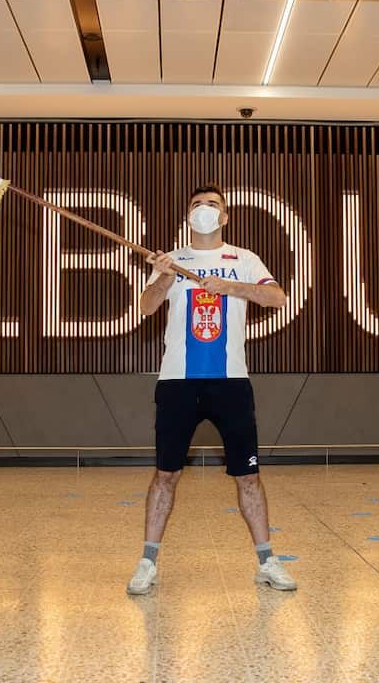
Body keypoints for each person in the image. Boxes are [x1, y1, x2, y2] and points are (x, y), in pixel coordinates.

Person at [126, 183, 296, 595]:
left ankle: (267, 561)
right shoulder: (173, 259)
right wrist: (164, 277)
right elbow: (147, 306)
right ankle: (147, 563)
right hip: (177, 382)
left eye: (213, 205)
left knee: (248, 476)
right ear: (188, 217)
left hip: (231, 382)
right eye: (197, 205)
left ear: (224, 217)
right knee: (165, 474)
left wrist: (231, 287)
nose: (204, 209)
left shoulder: (244, 258)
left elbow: (277, 297)